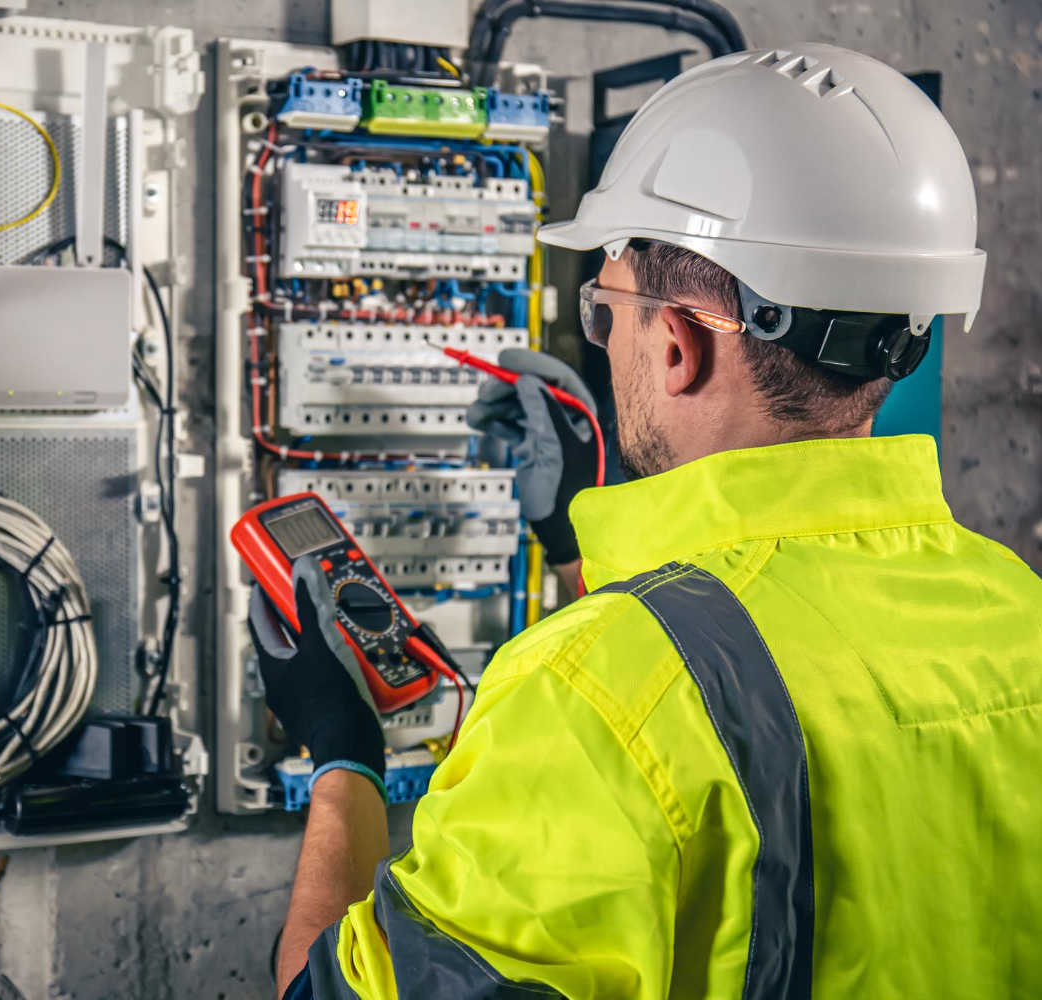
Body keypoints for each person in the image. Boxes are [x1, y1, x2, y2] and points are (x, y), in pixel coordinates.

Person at [251, 43, 1042, 999]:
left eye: (608, 308)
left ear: (675, 346)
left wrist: (343, 757)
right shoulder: (1015, 609)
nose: (609, 337)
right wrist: (578, 555)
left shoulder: (586, 696)